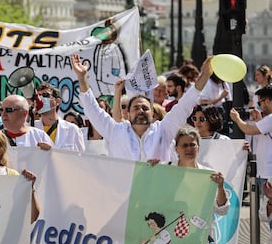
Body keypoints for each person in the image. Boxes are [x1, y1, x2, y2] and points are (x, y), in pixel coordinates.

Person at [71, 53, 214, 163]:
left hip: (158, 196)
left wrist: (205, 75)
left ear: (153, 113)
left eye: (145, 108)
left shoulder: (163, 130)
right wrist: (82, 78)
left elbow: (185, 105)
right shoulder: (115, 131)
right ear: (128, 113)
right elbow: (92, 110)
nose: (140, 111)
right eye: (136, 108)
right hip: (124, 195)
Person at [174, 125, 229, 244]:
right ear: (176, 149)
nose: (189, 149)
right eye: (184, 145)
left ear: (198, 147)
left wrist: (220, 187)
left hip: (201, 243)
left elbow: (222, 210)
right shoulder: (165, 172)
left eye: (192, 145)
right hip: (173, 242)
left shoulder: (209, 175)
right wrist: (150, 168)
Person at [230, 85, 272, 196]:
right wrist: (260, 120)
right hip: (265, 172)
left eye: (260, 103)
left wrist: (237, 118)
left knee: (267, 209)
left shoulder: (271, 118)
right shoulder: (268, 120)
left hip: (268, 174)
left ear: (267, 101)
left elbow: (249, 130)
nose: (259, 107)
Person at [34, 82, 85, 152]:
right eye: (38, 96)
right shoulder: (31, 128)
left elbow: (81, 159)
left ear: (57, 101)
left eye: (45, 95)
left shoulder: (73, 130)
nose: (41, 99)